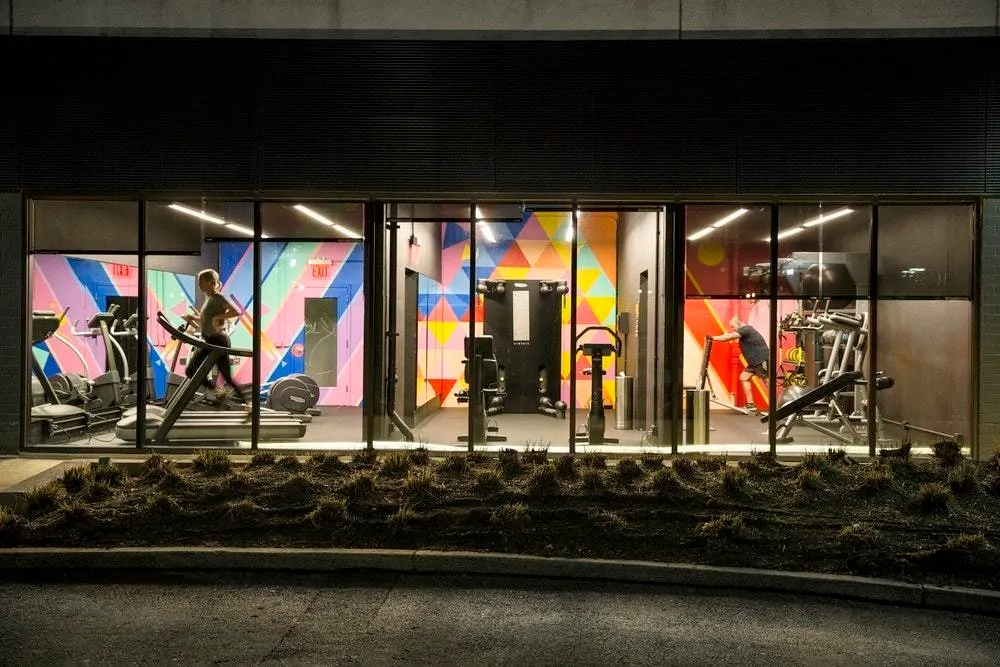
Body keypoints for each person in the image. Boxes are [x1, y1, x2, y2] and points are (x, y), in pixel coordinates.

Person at [181, 269, 248, 406]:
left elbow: (236, 311)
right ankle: (247, 403)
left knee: (191, 370)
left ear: (210, 283)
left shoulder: (218, 297)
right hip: (212, 341)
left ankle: (219, 392)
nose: (199, 284)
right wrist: (192, 317)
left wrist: (220, 317)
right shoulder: (209, 299)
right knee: (227, 377)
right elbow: (205, 318)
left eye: (201, 281)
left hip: (217, 341)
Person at [711, 316, 769, 414]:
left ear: (739, 323)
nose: (733, 329)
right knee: (744, 377)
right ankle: (751, 405)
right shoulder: (744, 331)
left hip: (761, 359)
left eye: (733, 327)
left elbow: (728, 337)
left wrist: (712, 338)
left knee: (768, 381)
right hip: (754, 361)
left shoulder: (746, 329)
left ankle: (777, 407)